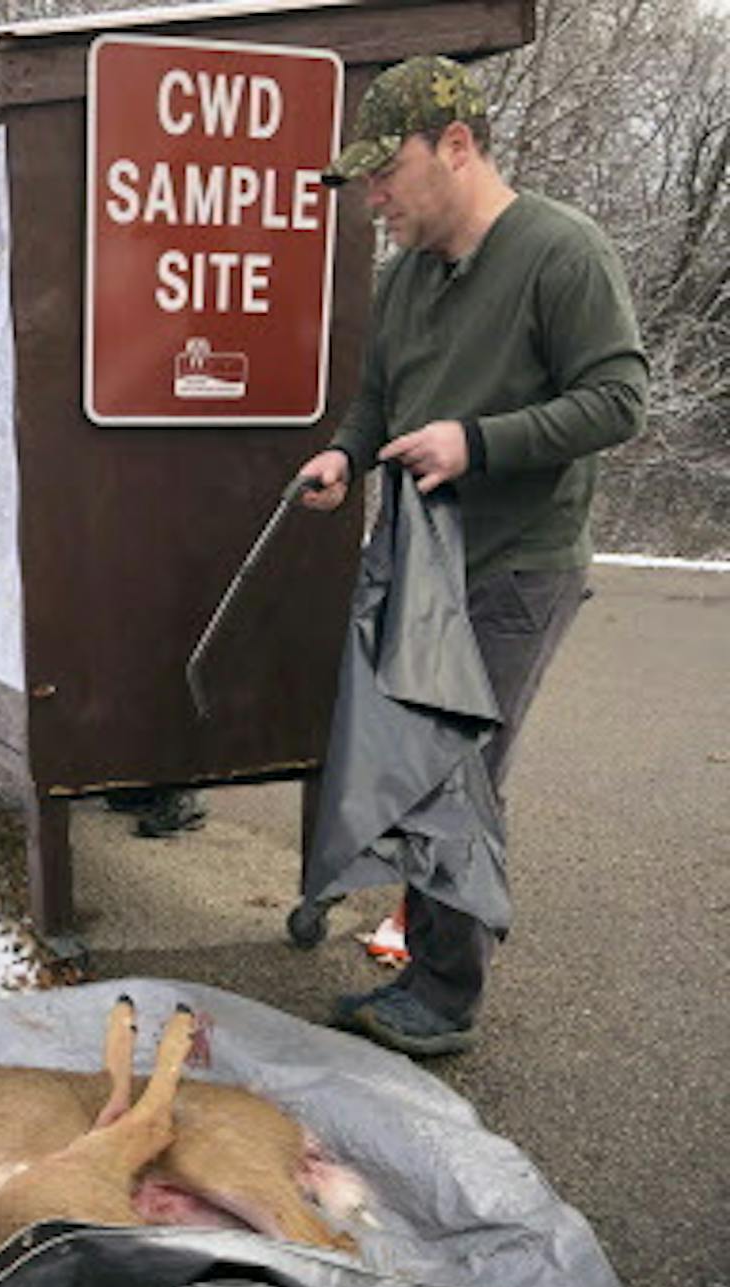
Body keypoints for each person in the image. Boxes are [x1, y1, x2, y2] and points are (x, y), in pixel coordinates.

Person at [299, 55, 648, 1058]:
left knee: (454, 766)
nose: (372, 198)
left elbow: (618, 399)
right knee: (411, 759)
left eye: (383, 173)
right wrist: (341, 453)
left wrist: (475, 440)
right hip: (416, 561)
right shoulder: (403, 275)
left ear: (455, 148)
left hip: (513, 562)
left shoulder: (559, 254)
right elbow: (376, 399)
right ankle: (422, 954)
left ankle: (443, 999)